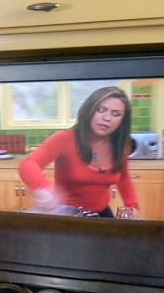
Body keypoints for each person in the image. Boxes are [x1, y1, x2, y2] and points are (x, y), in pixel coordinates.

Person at [17, 86, 143, 217]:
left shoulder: (120, 145)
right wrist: (43, 189)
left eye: (116, 114)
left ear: (122, 121)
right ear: (89, 110)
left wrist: (132, 206)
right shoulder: (64, 138)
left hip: (103, 215)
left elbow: (123, 177)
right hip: (67, 215)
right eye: (101, 110)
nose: (107, 118)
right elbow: (29, 164)